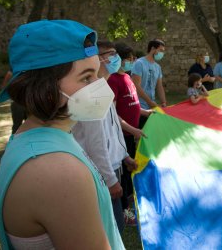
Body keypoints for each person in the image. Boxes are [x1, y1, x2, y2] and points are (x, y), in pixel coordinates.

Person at [0, 20, 124, 249]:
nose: (99, 85)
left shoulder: (36, 138)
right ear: (45, 86)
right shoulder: (57, 170)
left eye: (96, 73)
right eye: (86, 77)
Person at [71, 40, 137, 233]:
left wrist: (124, 155)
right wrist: (110, 180)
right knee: (111, 228)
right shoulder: (90, 94)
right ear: (97, 59)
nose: (116, 58)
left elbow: (112, 128)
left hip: (112, 167)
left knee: (115, 226)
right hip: (99, 173)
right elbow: (95, 142)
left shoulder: (104, 87)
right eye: (111, 54)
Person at [109, 42, 153, 223]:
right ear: (118, 59)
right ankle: (125, 211)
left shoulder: (127, 78)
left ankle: (130, 202)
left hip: (131, 134)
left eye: (133, 58)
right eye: (129, 59)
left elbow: (133, 105)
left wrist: (146, 113)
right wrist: (133, 129)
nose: (132, 62)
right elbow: (112, 115)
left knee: (132, 168)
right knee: (124, 174)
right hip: (121, 136)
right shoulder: (112, 80)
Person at [131, 39, 167, 128]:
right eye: (161, 50)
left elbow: (159, 86)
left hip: (152, 107)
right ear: (153, 49)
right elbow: (136, 86)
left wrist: (163, 102)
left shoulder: (157, 67)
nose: (162, 53)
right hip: (140, 107)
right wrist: (150, 102)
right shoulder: (139, 63)